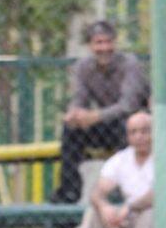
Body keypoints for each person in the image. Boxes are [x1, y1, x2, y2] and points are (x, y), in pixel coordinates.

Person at [53, 21, 150, 204]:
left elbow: (128, 105)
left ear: (115, 42)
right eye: (99, 43)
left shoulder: (130, 64)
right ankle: (69, 191)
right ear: (90, 46)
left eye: (108, 42)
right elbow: (79, 98)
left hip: (133, 124)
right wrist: (74, 114)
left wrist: (95, 116)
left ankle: (122, 189)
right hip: (104, 125)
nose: (104, 48)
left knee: (127, 126)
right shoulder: (83, 66)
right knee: (70, 130)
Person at [74, 111, 154, 228]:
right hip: (128, 221)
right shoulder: (121, 159)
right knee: (94, 211)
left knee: (151, 212)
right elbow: (97, 192)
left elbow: (157, 196)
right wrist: (104, 207)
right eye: (133, 132)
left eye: (144, 131)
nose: (139, 137)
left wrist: (130, 207)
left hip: (157, 227)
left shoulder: (164, 158)